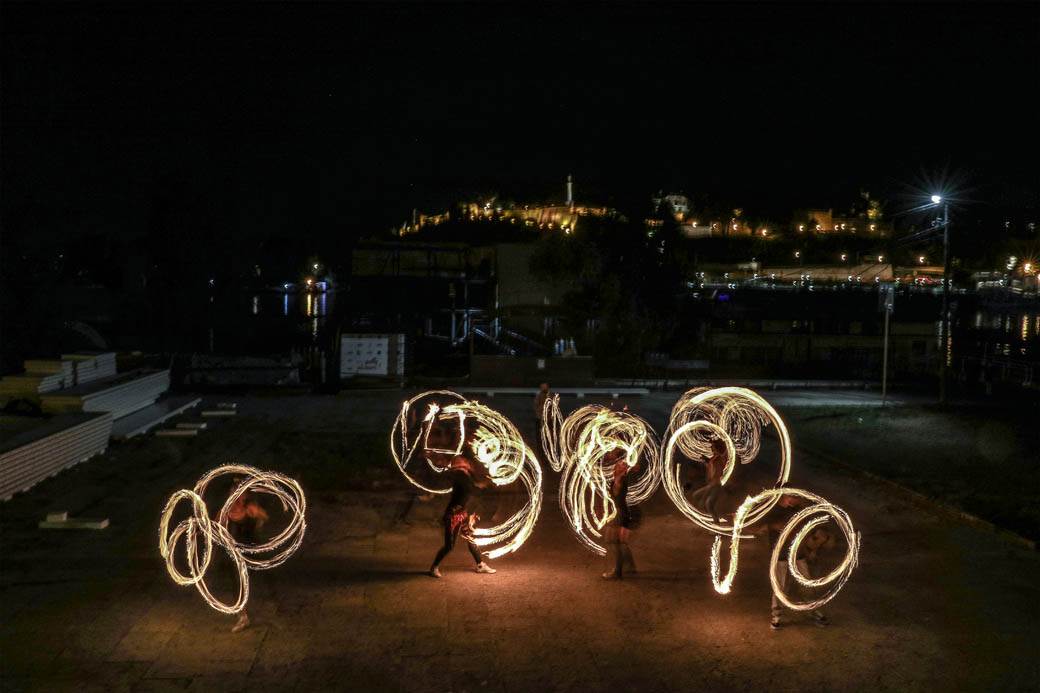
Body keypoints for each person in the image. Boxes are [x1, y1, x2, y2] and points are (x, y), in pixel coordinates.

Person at [429, 433, 497, 578]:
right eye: (464, 463)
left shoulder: (465, 476)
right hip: (453, 515)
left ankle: (480, 565)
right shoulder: (459, 476)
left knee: (471, 538)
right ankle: (434, 567)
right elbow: (470, 487)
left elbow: (473, 486)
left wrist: (484, 484)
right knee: (449, 546)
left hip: (463, 513)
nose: (467, 464)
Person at [766, 494, 830, 630]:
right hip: (781, 556)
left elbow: (805, 529)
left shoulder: (796, 509)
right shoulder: (773, 511)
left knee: (806, 583)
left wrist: (811, 548)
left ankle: (813, 610)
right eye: (793, 496)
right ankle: (776, 616)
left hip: (798, 555)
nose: (797, 499)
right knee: (780, 586)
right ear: (784, 496)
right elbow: (783, 530)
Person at [225, 478, 269, 633]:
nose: (235, 495)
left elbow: (264, 516)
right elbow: (214, 523)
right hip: (233, 551)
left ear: (244, 495)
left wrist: (258, 520)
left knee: (247, 580)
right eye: (232, 492)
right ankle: (243, 616)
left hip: (248, 549)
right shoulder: (227, 509)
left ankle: (245, 614)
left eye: (239, 493)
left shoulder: (250, 507)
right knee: (237, 582)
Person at [602, 449, 639, 579]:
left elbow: (617, 495)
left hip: (619, 513)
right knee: (618, 542)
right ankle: (630, 567)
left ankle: (617, 572)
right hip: (617, 511)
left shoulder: (621, 479)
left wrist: (626, 467)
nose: (618, 465)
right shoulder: (617, 477)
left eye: (621, 465)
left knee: (613, 541)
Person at [689, 438, 727, 524]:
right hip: (711, 485)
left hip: (715, 486)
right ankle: (711, 519)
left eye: (713, 446)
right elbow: (710, 467)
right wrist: (705, 461)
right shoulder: (714, 458)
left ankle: (716, 523)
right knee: (698, 497)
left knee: (708, 504)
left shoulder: (719, 459)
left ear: (717, 448)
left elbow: (717, 472)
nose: (711, 448)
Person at [533, 382, 550, 452]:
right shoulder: (539, 396)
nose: (543, 388)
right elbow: (536, 406)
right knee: (540, 435)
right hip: (540, 418)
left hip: (549, 419)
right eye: (542, 387)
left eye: (545, 387)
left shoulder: (550, 396)